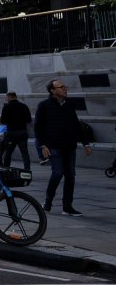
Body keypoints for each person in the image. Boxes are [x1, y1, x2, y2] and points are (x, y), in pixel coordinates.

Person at [34, 79, 93, 216]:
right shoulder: (44, 105)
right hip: (53, 146)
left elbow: (77, 125)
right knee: (57, 173)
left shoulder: (69, 104)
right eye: (61, 87)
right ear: (52, 91)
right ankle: (48, 200)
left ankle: (67, 206)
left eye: (65, 87)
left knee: (70, 176)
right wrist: (43, 146)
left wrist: (86, 143)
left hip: (69, 146)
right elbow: (38, 127)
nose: (65, 89)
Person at [0, 91, 32, 170]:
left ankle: (6, 169)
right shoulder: (24, 106)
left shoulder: (6, 107)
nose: (6, 99)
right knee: (25, 153)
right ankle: (27, 170)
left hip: (11, 133)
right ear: (15, 97)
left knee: (8, 152)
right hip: (22, 132)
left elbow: (2, 121)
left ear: (9, 97)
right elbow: (29, 120)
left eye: (6, 97)